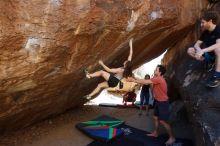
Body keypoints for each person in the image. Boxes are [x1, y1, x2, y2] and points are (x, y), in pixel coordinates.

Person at [128, 65, 175, 145]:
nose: (154, 70)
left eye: (156, 69)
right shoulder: (156, 78)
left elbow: (145, 82)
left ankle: (172, 138)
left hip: (163, 103)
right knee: (155, 117)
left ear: (159, 72)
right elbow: (146, 81)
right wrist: (135, 78)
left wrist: (133, 80)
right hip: (157, 101)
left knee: (163, 121)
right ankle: (155, 133)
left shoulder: (159, 79)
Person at [187, 10, 220, 87]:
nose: (201, 25)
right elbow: (196, 44)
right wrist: (199, 51)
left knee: (218, 49)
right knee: (190, 50)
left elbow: (218, 44)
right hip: (210, 55)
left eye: (203, 22)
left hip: (217, 54)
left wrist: (202, 50)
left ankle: (217, 76)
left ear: (210, 21)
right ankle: (209, 63)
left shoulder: (218, 29)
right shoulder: (205, 32)